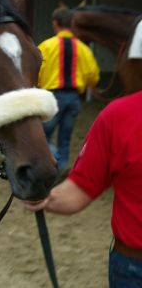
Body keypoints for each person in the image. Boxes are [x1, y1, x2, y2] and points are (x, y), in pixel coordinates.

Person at [23, 90, 142, 287]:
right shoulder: (118, 116)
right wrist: (44, 195)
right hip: (133, 269)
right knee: (63, 139)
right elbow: (80, 188)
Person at [38, 7, 100, 174]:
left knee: (43, 136)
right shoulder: (83, 48)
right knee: (65, 137)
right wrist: (87, 84)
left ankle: (57, 163)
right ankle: (63, 166)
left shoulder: (46, 46)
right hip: (73, 97)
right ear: (72, 24)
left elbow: (36, 70)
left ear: (55, 23)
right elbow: (93, 74)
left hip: (52, 97)